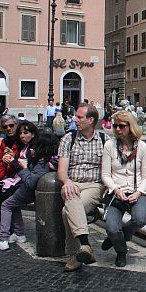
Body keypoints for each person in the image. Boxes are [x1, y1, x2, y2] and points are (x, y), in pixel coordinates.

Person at [57, 103, 106, 272]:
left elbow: (108, 170)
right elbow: (62, 170)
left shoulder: (105, 140)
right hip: (73, 184)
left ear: (91, 120)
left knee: (67, 211)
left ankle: (76, 253)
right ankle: (84, 247)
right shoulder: (68, 139)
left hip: (94, 186)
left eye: (79, 117)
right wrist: (67, 182)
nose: (75, 119)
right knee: (68, 207)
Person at [0, 133, 59, 250]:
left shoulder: (42, 164)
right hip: (29, 192)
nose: (32, 149)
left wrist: (20, 166)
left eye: (35, 147)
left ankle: (2, 239)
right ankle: (19, 233)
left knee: (6, 205)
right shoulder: (50, 161)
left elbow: (30, 182)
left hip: (27, 191)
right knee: (14, 205)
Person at [101, 111, 146, 267]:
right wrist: (116, 189)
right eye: (115, 125)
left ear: (131, 127)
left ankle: (118, 236)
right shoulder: (110, 145)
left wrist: (138, 192)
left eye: (121, 126)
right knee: (112, 228)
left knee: (140, 219)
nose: (117, 129)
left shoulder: (142, 147)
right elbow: (105, 175)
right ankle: (121, 251)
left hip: (139, 192)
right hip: (115, 193)